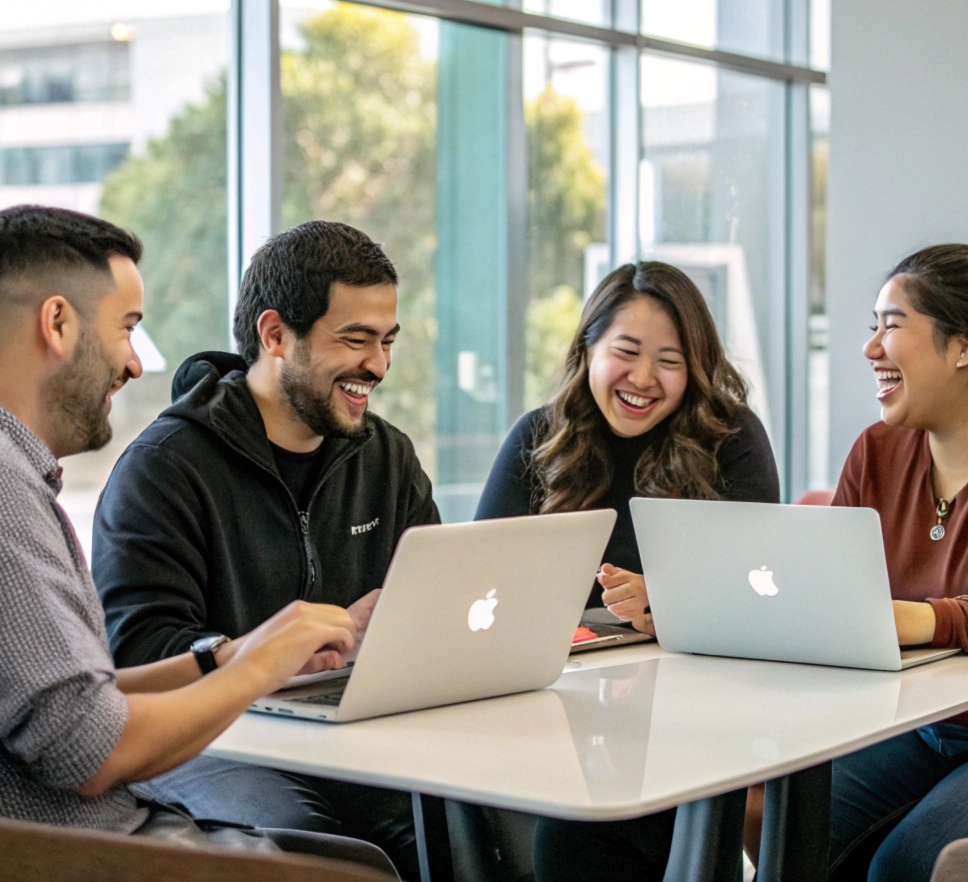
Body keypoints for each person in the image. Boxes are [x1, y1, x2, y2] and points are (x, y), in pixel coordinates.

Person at [0, 205, 388, 866]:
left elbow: (75, 699)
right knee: (357, 868)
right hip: (76, 853)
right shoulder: (11, 493)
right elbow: (89, 752)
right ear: (58, 324)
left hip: (104, 830)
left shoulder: (22, 479)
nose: (133, 363)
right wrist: (261, 666)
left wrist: (236, 656)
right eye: (126, 328)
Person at [91, 220, 440, 880]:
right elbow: (134, 655)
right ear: (275, 335)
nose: (380, 365)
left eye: (388, 341)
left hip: (353, 725)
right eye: (356, 340)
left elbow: (435, 601)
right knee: (306, 841)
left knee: (454, 824)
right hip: (213, 740)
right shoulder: (165, 468)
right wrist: (272, 652)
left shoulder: (386, 456)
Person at [475, 260, 779, 882]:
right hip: (555, 710)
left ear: (694, 368)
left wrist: (670, 604)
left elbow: (763, 598)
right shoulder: (539, 436)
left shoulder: (733, 439)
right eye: (627, 351)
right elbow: (479, 586)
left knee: (585, 836)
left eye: (669, 361)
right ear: (587, 348)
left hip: (691, 719)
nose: (643, 379)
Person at [822, 244, 968, 882]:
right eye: (872, 326)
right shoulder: (877, 452)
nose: (871, 348)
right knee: (763, 810)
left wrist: (933, 621)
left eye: (892, 325)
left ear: (965, 347)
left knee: (907, 862)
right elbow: (822, 588)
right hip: (916, 724)